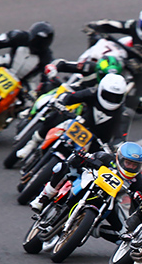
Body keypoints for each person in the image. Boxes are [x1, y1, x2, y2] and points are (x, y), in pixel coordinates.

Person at [27, 72, 132, 211]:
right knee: (56, 118)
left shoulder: (123, 114)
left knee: (81, 170)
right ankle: (31, 144)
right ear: (101, 90)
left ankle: (62, 195)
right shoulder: (92, 93)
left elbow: (120, 138)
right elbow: (71, 97)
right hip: (79, 127)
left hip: (96, 145)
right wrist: (62, 102)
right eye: (108, 95)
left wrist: (113, 147)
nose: (112, 99)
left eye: (116, 97)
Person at [32, 142, 142, 243]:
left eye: (135, 165)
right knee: (61, 167)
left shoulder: (137, 180)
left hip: (109, 201)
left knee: (124, 234)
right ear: (120, 158)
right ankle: (43, 197)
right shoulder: (106, 157)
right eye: (128, 163)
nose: (131, 167)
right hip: (87, 183)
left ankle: (93, 228)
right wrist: (83, 157)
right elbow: (81, 159)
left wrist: (139, 199)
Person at [84, 6, 142, 114]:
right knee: (102, 46)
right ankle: (86, 69)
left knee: (141, 105)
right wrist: (95, 25)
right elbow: (116, 25)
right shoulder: (134, 25)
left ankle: (114, 101)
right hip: (130, 56)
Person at [43, 54, 124, 89]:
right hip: (71, 93)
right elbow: (65, 64)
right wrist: (54, 68)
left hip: (84, 111)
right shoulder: (89, 67)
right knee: (48, 87)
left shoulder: (117, 88)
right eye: (105, 76)